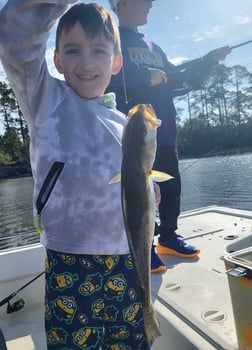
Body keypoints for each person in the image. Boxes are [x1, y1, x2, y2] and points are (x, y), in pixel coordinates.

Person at [0, 2, 151, 349]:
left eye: (98, 50)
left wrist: (148, 188)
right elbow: (12, 37)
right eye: (73, 50)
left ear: (115, 62)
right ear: (56, 60)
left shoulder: (125, 124)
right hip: (70, 260)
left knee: (131, 342)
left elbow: (133, 177)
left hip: (127, 259)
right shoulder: (45, 100)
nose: (86, 62)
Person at [107, 0, 231, 273]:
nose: (151, 4)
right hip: (135, 139)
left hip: (165, 134)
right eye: (144, 1)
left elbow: (178, 79)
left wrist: (208, 61)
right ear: (123, 3)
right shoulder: (111, 39)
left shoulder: (156, 48)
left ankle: (169, 236)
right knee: (141, 194)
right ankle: (144, 246)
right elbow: (105, 75)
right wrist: (143, 75)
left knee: (172, 188)